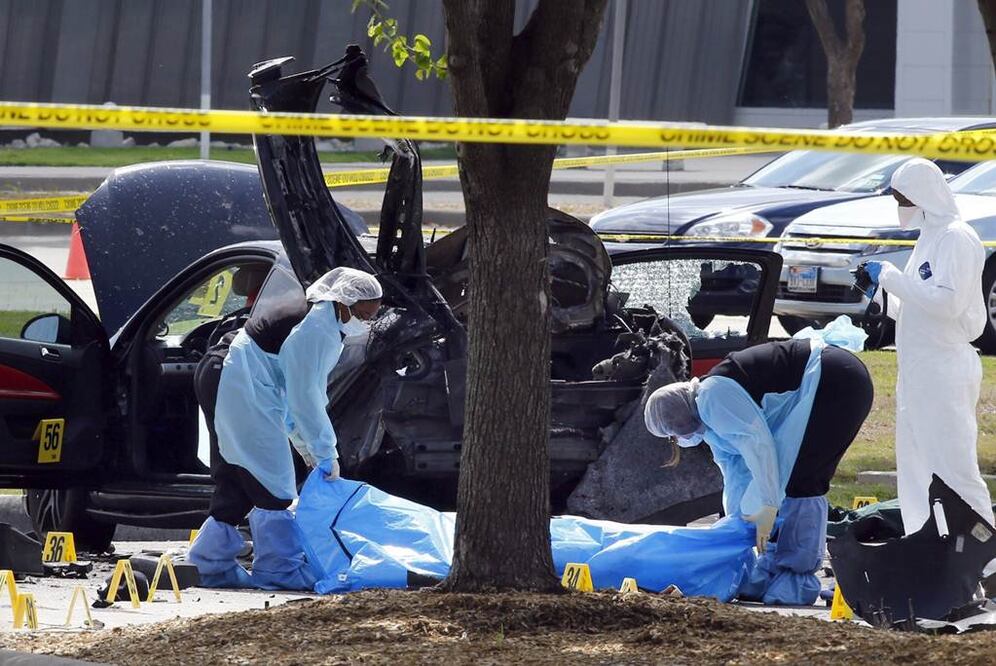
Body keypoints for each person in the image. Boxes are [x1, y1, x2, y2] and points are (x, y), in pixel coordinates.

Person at [188, 266, 383, 590]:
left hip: (224, 372)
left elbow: (295, 395)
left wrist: (305, 447)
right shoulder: (317, 328)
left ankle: (210, 564)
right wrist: (325, 452)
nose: (366, 323)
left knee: (239, 476)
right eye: (363, 314)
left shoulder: (320, 317)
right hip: (238, 381)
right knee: (274, 480)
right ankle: (279, 569)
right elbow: (305, 397)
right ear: (343, 301)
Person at [644, 338, 873, 605]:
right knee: (783, 480)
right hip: (828, 376)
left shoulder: (713, 397)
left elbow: (760, 447)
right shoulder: (710, 417)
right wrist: (738, 525)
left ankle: (797, 579)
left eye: (674, 434)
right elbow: (735, 471)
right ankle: (773, 567)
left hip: (836, 381)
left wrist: (767, 506)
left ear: (682, 418)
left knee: (803, 478)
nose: (679, 440)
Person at [863, 158, 994, 535]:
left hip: (944, 371)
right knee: (916, 467)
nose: (901, 208)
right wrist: (883, 297)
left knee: (954, 468)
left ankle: (988, 560)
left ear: (924, 196)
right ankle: (925, 548)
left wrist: (890, 277)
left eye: (904, 199)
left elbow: (948, 304)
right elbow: (921, 306)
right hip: (918, 371)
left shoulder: (957, 237)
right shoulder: (930, 237)